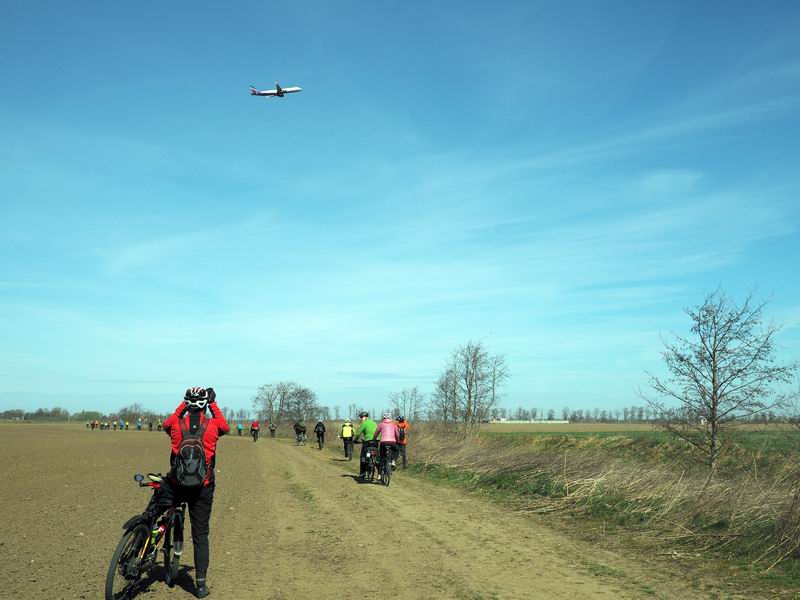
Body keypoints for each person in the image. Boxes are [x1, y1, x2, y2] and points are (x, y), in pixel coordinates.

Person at [148, 386, 228, 599]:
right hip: (203, 487)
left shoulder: (175, 424)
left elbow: (167, 424)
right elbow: (225, 427)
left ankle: (143, 535)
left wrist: (182, 406)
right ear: (205, 405)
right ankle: (200, 587)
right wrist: (213, 403)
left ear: (186, 403)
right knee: (200, 535)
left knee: (154, 507)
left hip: (176, 484)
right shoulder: (213, 425)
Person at [373, 413, 400, 479]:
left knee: (382, 457)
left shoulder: (381, 424)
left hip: (383, 442)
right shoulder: (393, 424)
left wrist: (374, 439)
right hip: (392, 442)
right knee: (397, 450)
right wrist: (398, 440)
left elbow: (376, 433)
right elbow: (397, 434)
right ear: (389, 417)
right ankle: (393, 461)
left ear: (383, 418)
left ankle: (379, 475)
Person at [354, 411, 377, 479]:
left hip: (368, 442)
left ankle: (362, 473)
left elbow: (358, 433)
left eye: (361, 417)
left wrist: (355, 440)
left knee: (363, 456)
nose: (361, 418)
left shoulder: (364, 423)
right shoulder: (374, 423)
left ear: (365, 417)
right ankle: (377, 469)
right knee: (375, 453)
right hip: (376, 441)